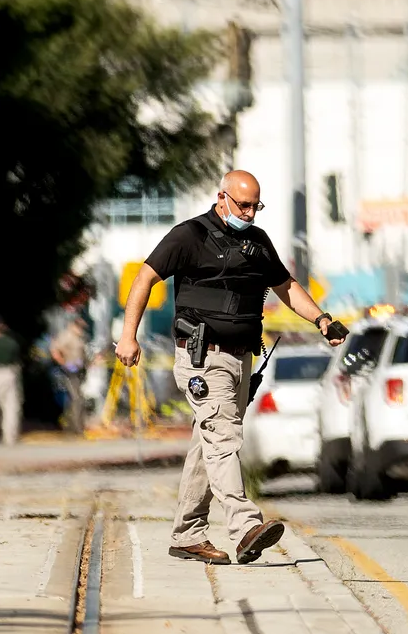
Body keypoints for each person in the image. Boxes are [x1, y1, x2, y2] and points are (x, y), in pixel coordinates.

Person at [116, 170, 347, 565]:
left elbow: (286, 286)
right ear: (221, 197)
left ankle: (187, 533)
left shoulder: (256, 242)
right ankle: (244, 527)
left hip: (242, 357)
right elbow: (144, 278)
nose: (249, 213)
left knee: (207, 442)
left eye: (255, 206)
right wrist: (128, 335)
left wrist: (322, 320)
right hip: (201, 358)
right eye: (243, 205)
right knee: (223, 438)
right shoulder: (189, 236)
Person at [50, 316, 89, 433]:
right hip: (69, 371)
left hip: (79, 371)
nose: (81, 329)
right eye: (79, 327)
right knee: (76, 398)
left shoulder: (81, 337)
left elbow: (82, 354)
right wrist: (64, 363)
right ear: (73, 326)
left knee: (77, 398)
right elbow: (55, 351)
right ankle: (75, 428)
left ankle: (75, 426)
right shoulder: (66, 336)